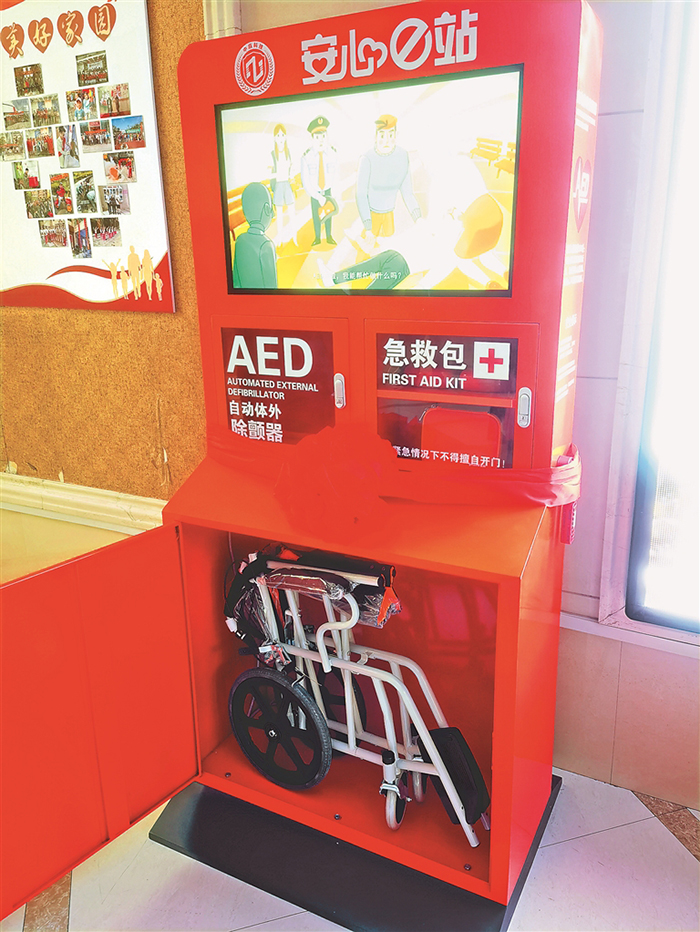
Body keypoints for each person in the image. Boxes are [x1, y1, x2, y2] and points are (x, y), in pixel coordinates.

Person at [356, 114, 421, 244]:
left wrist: (418, 218)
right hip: (372, 215)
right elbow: (361, 194)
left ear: (396, 135)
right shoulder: (367, 159)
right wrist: (367, 225)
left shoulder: (402, 156)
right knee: (367, 246)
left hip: (389, 214)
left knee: (389, 242)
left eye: (391, 135)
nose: (386, 141)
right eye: (382, 136)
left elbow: (408, 193)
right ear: (375, 137)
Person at [300, 116, 338, 246]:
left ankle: (329, 236)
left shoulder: (333, 154)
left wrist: (335, 194)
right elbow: (306, 182)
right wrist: (317, 196)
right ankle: (317, 237)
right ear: (312, 139)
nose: (321, 140)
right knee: (316, 215)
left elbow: (336, 175)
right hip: (315, 193)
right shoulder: (306, 157)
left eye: (323, 136)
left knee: (329, 214)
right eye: (317, 137)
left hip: (328, 190)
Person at [232, 182, 277, 288]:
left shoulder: (239, 240)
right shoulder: (266, 245)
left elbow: (236, 281)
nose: (273, 214)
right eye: (271, 210)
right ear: (266, 209)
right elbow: (272, 286)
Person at [269, 124, 295, 247]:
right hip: (278, 185)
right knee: (279, 215)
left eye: (282, 135)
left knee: (291, 212)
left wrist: (290, 172)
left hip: (287, 184)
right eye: (278, 135)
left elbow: (292, 168)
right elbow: (269, 173)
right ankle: (279, 239)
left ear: (285, 137)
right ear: (274, 138)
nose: (280, 138)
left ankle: (294, 238)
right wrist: (279, 173)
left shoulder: (288, 152)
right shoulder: (272, 154)